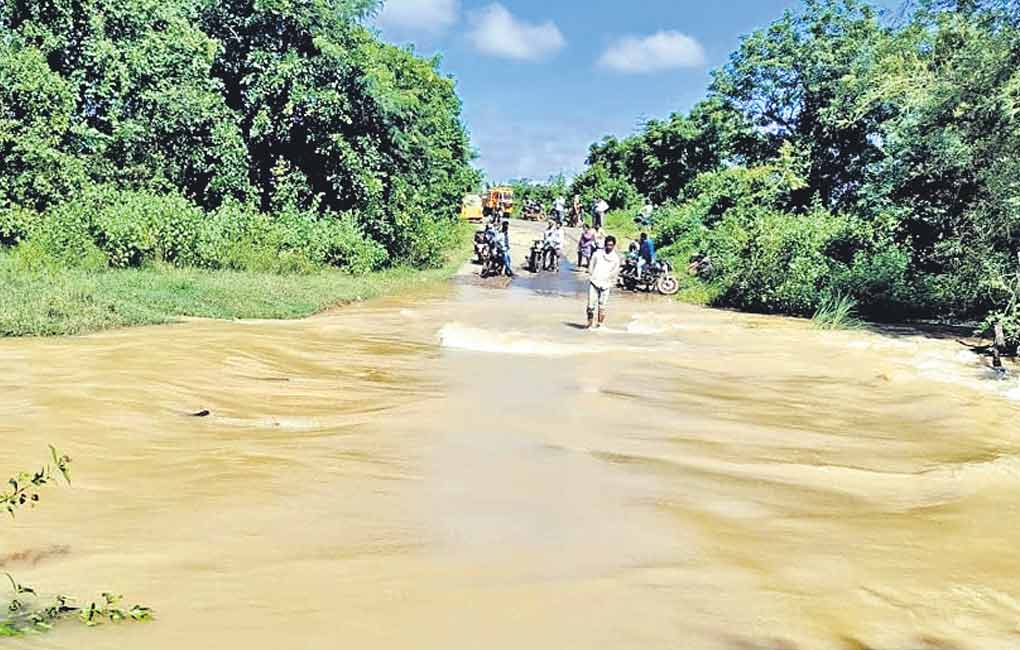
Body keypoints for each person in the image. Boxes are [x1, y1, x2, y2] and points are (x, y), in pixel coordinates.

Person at [586, 235, 621, 330]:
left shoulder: (615, 259)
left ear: (614, 246)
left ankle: (600, 325)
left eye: (611, 245)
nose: (609, 247)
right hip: (594, 282)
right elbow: (591, 265)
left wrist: (610, 282)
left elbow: (615, 272)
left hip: (606, 284)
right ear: (605, 244)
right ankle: (589, 325)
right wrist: (591, 275)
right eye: (608, 245)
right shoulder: (597, 254)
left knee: (602, 306)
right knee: (590, 306)